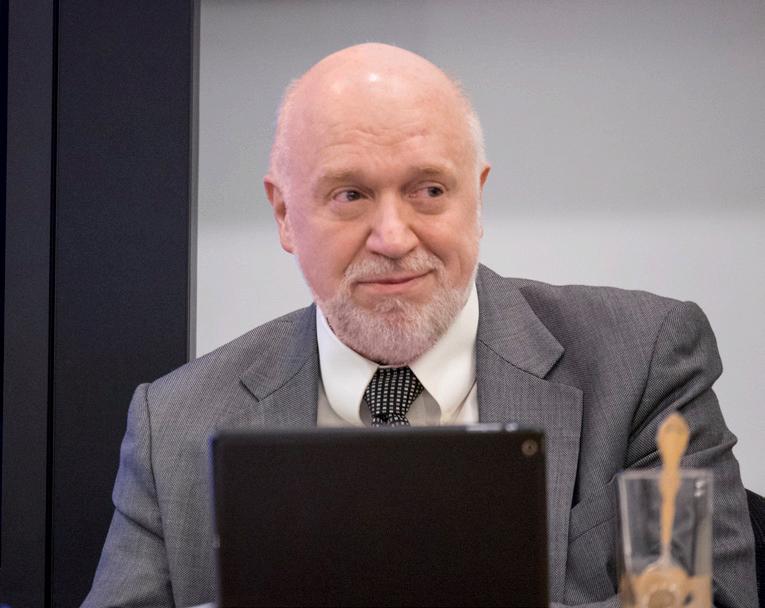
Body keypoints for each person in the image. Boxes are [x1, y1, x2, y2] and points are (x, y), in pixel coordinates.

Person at [82, 43, 756, 607]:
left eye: (429, 190)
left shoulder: (641, 361)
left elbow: (705, 599)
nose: (393, 237)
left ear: (477, 198)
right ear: (284, 214)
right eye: (350, 194)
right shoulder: (174, 423)